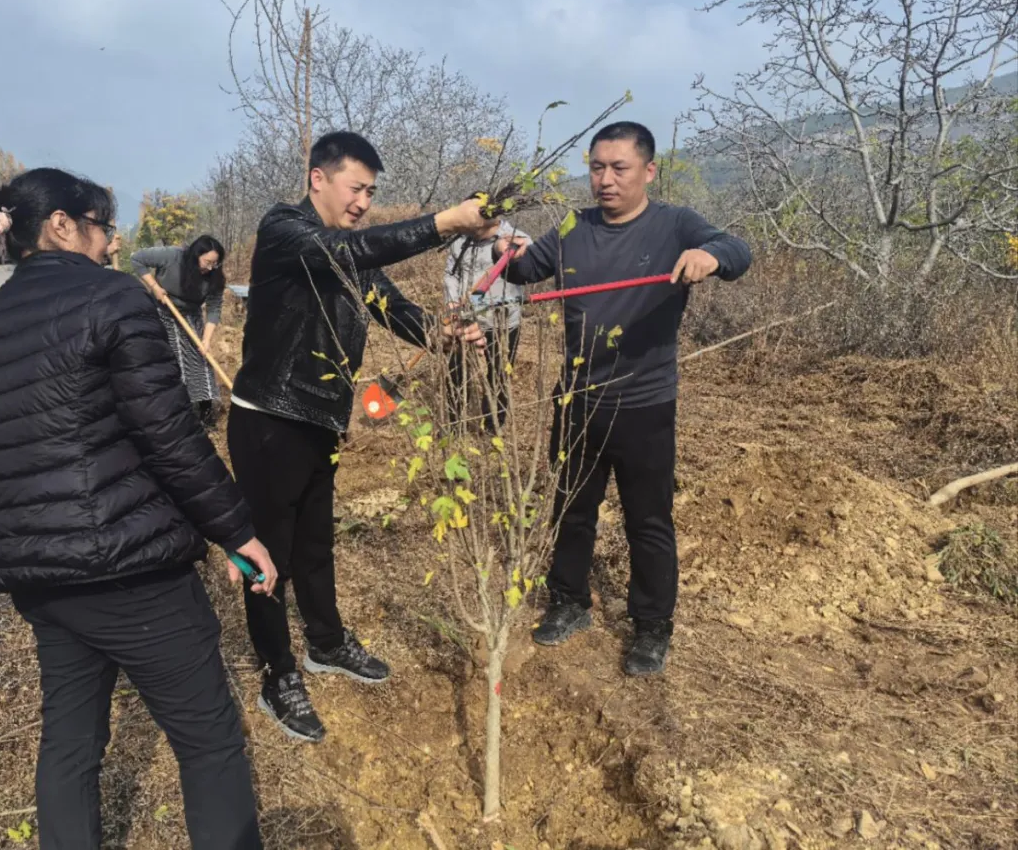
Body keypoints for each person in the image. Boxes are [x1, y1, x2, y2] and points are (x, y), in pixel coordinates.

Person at [0, 169, 277, 850]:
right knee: (209, 739)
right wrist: (239, 531)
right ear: (62, 225)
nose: (110, 241)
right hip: (130, 573)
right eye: (102, 224)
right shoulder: (111, 298)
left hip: (39, 582)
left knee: (70, 740)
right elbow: (171, 438)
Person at [228, 130, 497, 742]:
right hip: (269, 418)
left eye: (372, 193)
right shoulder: (284, 231)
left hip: (322, 416)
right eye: (357, 189)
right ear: (318, 178)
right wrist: (446, 221)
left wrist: (439, 332)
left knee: (316, 542)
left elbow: (387, 302)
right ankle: (278, 675)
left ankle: (325, 641)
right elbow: (354, 251)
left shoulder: (349, 253)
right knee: (266, 558)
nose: (364, 204)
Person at [495, 121, 752, 676]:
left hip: (645, 403)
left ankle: (652, 627)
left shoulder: (674, 224)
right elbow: (524, 268)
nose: (605, 180)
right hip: (577, 399)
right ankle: (569, 602)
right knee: (571, 507)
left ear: (648, 171)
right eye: (596, 168)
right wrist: (504, 248)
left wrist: (710, 258)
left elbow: (736, 249)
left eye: (620, 168)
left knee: (648, 520)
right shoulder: (572, 225)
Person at [443, 219, 532, 432]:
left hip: (501, 321)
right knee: (455, 371)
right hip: (464, 320)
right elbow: (451, 274)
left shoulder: (517, 239)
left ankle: (493, 427)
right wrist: (452, 302)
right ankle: (453, 426)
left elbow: (528, 269)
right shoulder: (460, 239)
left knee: (499, 374)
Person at [132, 235, 226, 428]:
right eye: (207, 262)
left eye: (214, 264)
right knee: (173, 361)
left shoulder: (214, 277)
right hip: (163, 310)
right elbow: (137, 259)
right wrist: (154, 286)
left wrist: (206, 341)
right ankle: (177, 414)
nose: (210, 268)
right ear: (195, 255)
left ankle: (206, 416)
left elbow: (214, 309)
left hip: (191, 315)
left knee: (200, 362)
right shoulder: (172, 256)